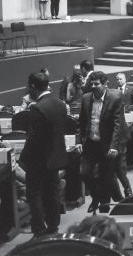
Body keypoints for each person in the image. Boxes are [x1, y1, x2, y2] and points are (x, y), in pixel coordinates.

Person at [19, 71, 68, 236]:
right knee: (52, 193)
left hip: (38, 160)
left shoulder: (37, 108)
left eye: (29, 86)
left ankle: (39, 230)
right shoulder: (60, 104)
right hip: (55, 158)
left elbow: (33, 140)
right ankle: (53, 227)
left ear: (33, 86)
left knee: (35, 194)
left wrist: (22, 159)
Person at [78, 71, 126, 212]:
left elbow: (118, 124)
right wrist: (79, 141)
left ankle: (104, 207)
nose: (93, 86)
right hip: (91, 143)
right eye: (91, 84)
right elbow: (81, 122)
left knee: (106, 177)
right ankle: (96, 197)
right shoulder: (86, 98)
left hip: (106, 144)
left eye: (96, 84)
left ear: (105, 84)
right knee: (84, 173)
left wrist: (114, 146)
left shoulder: (115, 97)